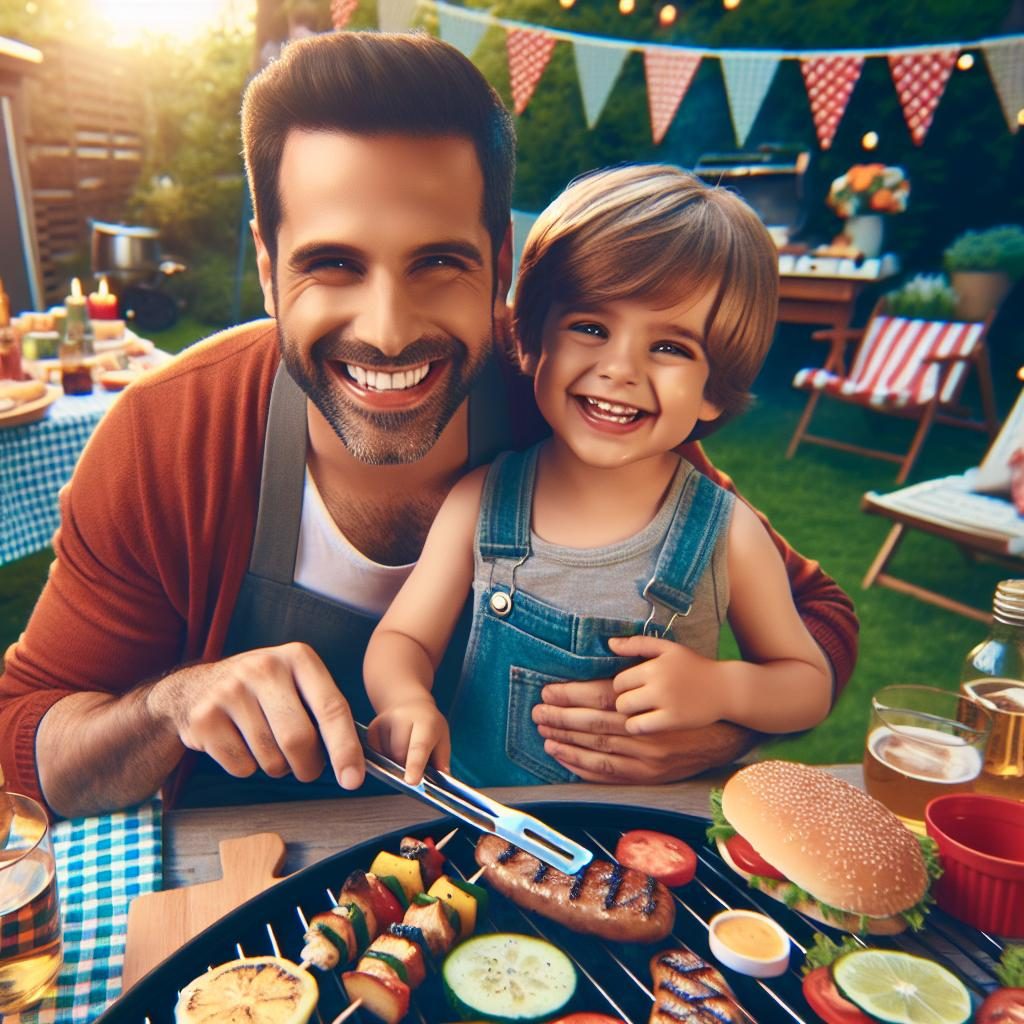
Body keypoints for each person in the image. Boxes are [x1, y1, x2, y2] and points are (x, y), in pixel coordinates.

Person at [0, 32, 857, 818]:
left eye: (439, 262)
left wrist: (720, 722)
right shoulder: (167, 439)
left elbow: (818, 619)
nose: (388, 328)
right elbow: (24, 740)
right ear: (267, 269)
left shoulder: (575, 404)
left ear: (499, 272)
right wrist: (168, 706)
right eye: (332, 264)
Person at [363, 166, 834, 786]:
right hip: (483, 832)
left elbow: (807, 684)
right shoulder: (481, 501)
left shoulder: (727, 534)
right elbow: (404, 638)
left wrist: (722, 688)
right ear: (532, 345)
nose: (620, 368)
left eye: (670, 347)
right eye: (591, 328)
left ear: (714, 391)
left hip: (650, 847)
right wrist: (405, 700)